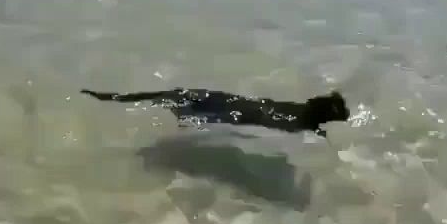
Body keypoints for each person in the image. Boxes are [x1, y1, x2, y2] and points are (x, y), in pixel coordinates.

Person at [80, 87, 349, 137]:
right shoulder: (302, 121)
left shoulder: (299, 116)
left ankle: (110, 98)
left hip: (233, 107)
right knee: (181, 101)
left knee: (179, 98)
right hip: (234, 110)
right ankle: (111, 98)